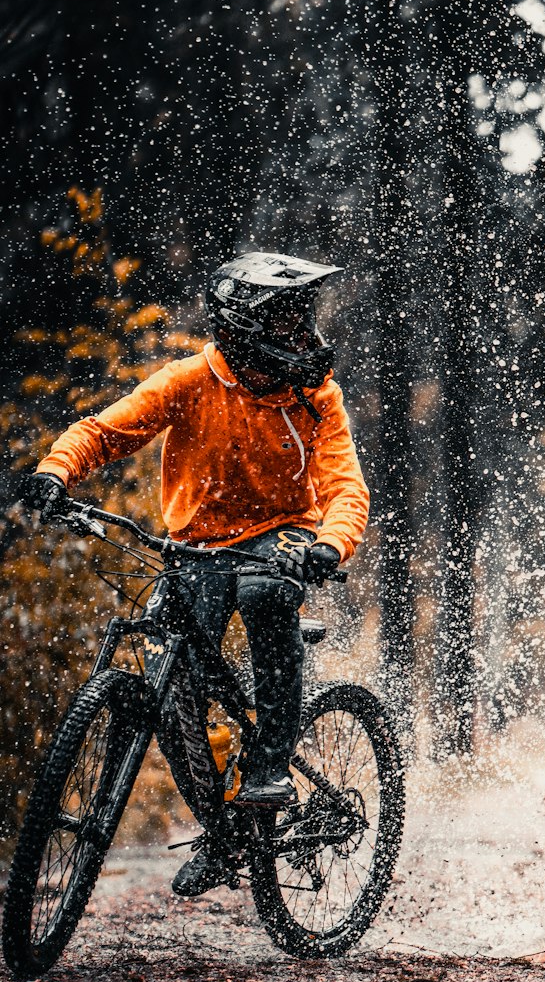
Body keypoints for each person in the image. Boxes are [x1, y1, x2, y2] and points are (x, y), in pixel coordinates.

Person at [22, 250, 370, 896]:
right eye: (289, 323)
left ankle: (269, 770)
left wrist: (330, 544)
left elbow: (346, 488)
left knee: (268, 591)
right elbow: (105, 431)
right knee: (167, 678)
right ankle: (223, 829)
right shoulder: (188, 381)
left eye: (305, 321)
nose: (305, 337)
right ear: (245, 327)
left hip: (282, 533)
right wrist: (55, 472)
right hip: (196, 546)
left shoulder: (315, 395)